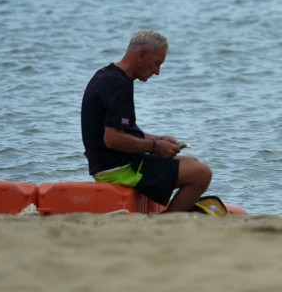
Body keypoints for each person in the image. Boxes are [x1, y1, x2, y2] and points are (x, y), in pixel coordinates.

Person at [81, 30, 212, 213]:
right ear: (141, 54)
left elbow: (123, 130)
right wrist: (154, 147)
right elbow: (112, 139)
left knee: (192, 162)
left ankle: (168, 211)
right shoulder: (118, 85)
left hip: (113, 162)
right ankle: (167, 223)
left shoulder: (108, 75)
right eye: (157, 63)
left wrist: (159, 139)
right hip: (117, 168)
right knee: (201, 174)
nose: (157, 72)